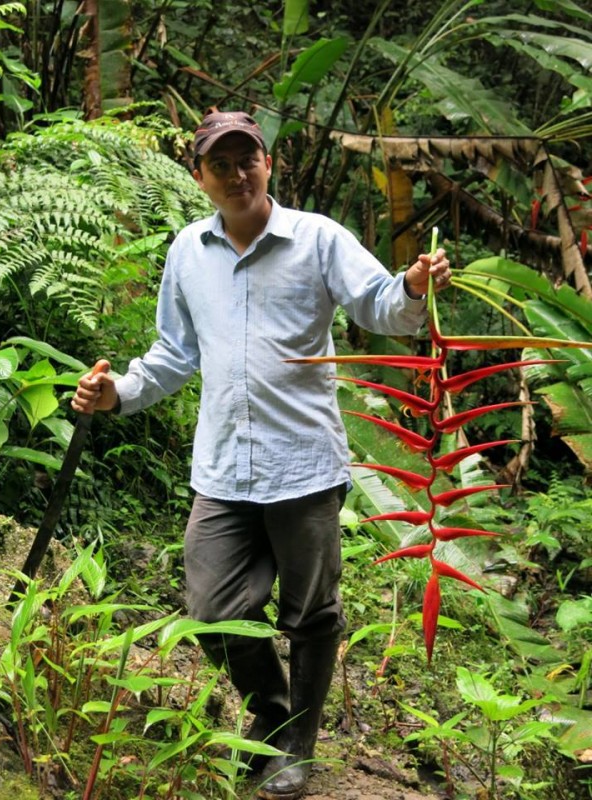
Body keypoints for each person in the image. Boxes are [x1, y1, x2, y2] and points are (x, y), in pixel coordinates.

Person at [72, 110, 452, 800]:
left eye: (248, 159)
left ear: (268, 164)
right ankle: (274, 718)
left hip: (304, 464)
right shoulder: (188, 251)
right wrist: (116, 394)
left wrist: (417, 286)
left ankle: (297, 750)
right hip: (223, 467)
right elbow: (172, 355)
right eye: (221, 163)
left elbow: (382, 307)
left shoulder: (317, 239)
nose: (237, 173)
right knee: (211, 607)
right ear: (200, 178)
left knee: (310, 615)